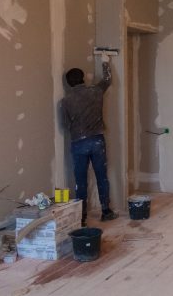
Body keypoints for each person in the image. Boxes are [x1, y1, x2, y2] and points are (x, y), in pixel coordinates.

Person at [61, 59, 118, 226]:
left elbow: (65, 125)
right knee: (101, 176)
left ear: (68, 83)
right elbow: (107, 80)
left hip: (78, 143)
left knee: (80, 181)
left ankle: (82, 217)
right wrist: (106, 61)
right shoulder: (95, 91)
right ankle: (106, 211)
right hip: (97, 140)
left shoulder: (66, 101)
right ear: (83, 79)